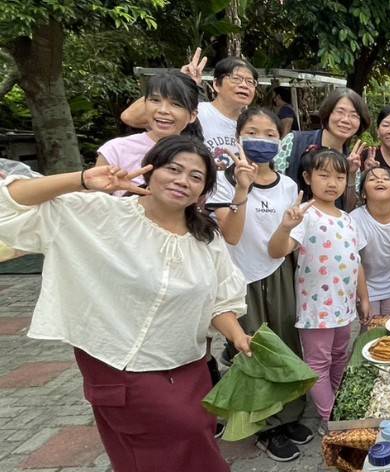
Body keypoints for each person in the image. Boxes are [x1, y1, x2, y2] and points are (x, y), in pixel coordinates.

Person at [0, 135, 250, 471]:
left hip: (188, 367)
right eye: (173, 169)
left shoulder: (206, 237)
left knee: (195, 440)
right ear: (149, 170)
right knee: (156, 452)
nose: (182, 181)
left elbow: (221, 299)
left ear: (203, 190)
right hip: (120, 363)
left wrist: (237, 336)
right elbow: (10, 203)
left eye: (195, 176)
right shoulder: (100, 213)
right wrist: (82, 180)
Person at [205, 107, 314, 460]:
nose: (261, 140)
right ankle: (266, 427)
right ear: (238, 137)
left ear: (280, 141)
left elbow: (288, 240)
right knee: (251, 349)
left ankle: (289, 415)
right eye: (252, 132)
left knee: (284, 344)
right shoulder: (222, 181)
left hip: (278, 273)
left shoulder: (289, 186)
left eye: (270, 134)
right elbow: (232, 236)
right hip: (239, 277)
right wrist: (242, 189)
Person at [269, 148, 370, 437]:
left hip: (344, 307)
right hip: (317, 310)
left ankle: (337, 403)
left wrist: (363, 298)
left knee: (340, 357)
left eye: (339, 177)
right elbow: (277, 251)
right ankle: (330, 418)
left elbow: (356, 260)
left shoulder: (347, 218)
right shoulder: (304, 215)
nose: (332, 183)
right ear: (307, 177)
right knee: (318, 364)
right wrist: (285, 227)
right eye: (324, 175)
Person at [122, 49, 258, 170]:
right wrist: (181, 82)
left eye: (250, 82)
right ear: (216, 84)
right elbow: (130, 117)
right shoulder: (193, 111)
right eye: (236, 79)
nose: (244, 85)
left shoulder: (254, 126)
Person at [96, 71, 202, 190]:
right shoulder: (116, 149)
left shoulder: (198, 156)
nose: (163, 110)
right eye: (155, 100)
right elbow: (92, 196)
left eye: (176, 104)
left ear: (192, 116)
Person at [273, 88, 371, 211]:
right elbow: (272, 182)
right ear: (328, 113)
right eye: (340, 112)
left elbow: (349, 209)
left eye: (354, 115)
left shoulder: (352, 160)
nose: (346, 120)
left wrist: (350, 174)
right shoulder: (294, 141)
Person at [350, 167, 390, 321]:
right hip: (365, 285)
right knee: (371, 327)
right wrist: (362, 295)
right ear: (363, 194)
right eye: (372, 179)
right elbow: (354, 260)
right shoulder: (354, 219)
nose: (380, 180)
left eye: (386, 179)